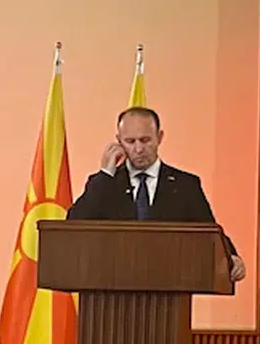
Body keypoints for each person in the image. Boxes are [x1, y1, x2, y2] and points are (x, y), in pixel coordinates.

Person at [67, 106, 246, 282]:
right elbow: (73, 226)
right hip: (112, 284)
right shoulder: (104, 184)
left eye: (145, 140)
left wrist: (230, 256)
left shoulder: (185, 185)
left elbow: (208, 232)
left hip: (169, 284)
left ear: (159, 137)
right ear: (118, 141)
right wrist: (106, 174)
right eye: (130, 141)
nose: (138, 149)